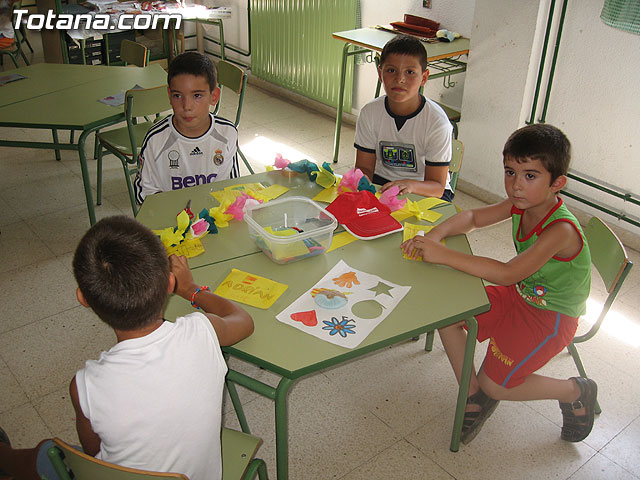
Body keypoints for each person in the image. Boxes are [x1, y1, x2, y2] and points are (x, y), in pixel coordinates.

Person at [0, 215, 254, 480]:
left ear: (83, 299)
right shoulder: (201, 333)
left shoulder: (85, 385)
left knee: (47, 453)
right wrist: (191, 289)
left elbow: (94, 452)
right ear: (169, 284)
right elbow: (242, 320)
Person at [401, 124, 596, 444]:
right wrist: (434, 236)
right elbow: (473, 219)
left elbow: (508, 273)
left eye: (530, 176)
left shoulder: (561, 230)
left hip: (551, 317)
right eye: (510, 172)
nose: (516, 186)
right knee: (447, 315)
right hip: (519, 295)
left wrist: (444, 255)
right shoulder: (522, 203)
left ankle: (575, 390)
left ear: (557, 184)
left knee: (498, 385)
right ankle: (475, 396)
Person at [354, 34, 454, 201]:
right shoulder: (369, 113)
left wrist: (409, 185)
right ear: (380, 73)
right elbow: (364, 168)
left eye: (410, 72)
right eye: (391, 70)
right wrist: (361, 185)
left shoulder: (437, 122)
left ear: (424, 77)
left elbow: (437, 186)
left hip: (425, 189)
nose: (400, 79)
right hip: (381, 183)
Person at [134, 51, 240, 204]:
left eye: (197, 96)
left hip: (214, 217)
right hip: (169, 220)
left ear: (214, 96)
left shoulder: (227, 133)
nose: (186, 106)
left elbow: (232, 187)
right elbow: (143, 193)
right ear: (169, 95)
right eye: (178, 96)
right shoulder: (155, 139)